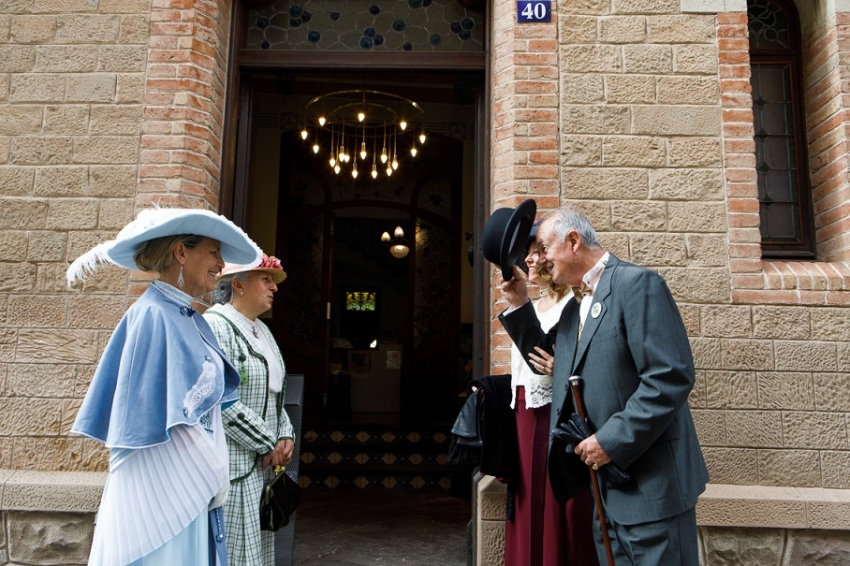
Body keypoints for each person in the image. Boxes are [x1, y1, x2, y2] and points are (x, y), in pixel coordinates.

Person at [498, 205, 708, 565]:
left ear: (574, 241)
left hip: (652, 488)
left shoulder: (636, 285)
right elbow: (549, 357)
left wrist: (609, 441)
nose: (541, 260)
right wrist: (519, 303)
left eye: (545, 249)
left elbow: (668, 377)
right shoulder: (572, 308)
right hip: (604, 493)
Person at [66, 207, 264, 566]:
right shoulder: (152, 316)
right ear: (181, 253)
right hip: (162, 492)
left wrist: (213, 468)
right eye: (214, 252)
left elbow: (205, 410)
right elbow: (151, 423)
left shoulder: (187, 317)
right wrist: (213, 469)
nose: (221, 264)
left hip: (190, 489)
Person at [505, 227, 598, 566]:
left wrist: (560, 368)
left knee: (554, 500)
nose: (528, 258)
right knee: (527, 498)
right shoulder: (539, 302)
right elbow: (525, 365)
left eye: (535, 250)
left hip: (552, 412)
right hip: (524, 410)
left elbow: (559, 359)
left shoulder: (571, 304)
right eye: (526, 253)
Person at [204, 254, 295, 566]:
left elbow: (275, 392)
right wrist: (267, 442)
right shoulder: (217, 326)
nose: (274, 288)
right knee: (237, 556)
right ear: (239, 285)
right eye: (266, 279)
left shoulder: (260, 329)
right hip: (234, 467)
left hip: (261, 467)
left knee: (256, 554)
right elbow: (220, 400)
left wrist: (286, 434)